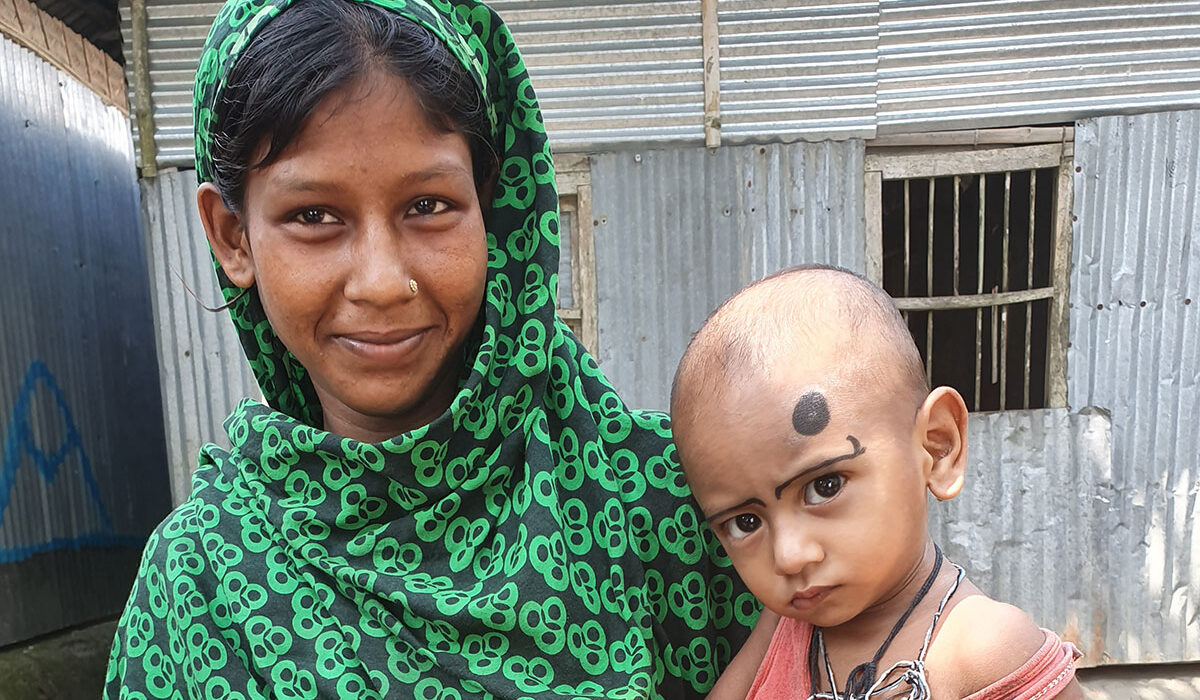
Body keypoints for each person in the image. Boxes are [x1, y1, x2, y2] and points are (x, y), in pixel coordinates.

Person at [104, 0, 755, 696]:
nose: (382, 283)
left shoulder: (676, 507)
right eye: (313, 216)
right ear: (233, 237)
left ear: (492, 209)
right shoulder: (204, 579)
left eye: (427, 206)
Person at [670, 266, 1084, 699]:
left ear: (937, 447)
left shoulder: (982, 650)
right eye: (745, 523)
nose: (788, 556)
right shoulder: (785, 631)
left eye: (825, 486)